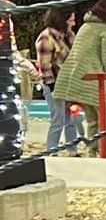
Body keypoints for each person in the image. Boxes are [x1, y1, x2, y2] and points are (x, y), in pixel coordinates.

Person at [52, 0, 106, 157]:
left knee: (92, 120)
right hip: (95, 79)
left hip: (77, 78)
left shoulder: (86, 26)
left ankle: (91, 150)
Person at [36, 8, 82, 156]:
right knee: (58, 119)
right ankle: (52, 150)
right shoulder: (46, 38)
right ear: (61, 20)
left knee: (72, 118)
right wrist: (53, 86)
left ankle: (72, 150)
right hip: (53, 83)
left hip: (69, 82)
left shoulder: (68, 36)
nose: (73, 24)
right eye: (71, 20)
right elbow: (45, 66)